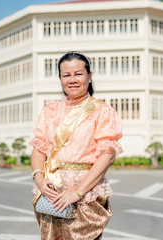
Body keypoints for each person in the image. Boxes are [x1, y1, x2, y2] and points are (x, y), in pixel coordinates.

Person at [30, 51, 123, 240]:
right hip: (52, 193)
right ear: (60, 78)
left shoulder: (101, 111)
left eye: (78, 74)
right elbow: (39, 149)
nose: (72, 80)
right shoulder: (50, 111)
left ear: (89, 76)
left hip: (85, 194)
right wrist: (39, 180)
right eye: (66, 75)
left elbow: (107, 156)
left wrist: (77, 192)